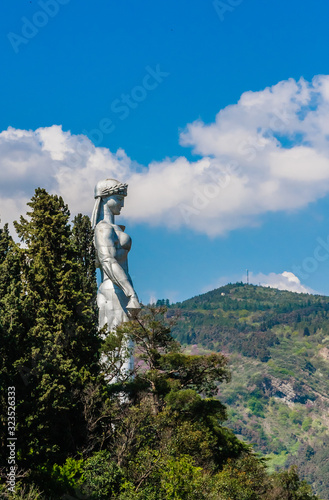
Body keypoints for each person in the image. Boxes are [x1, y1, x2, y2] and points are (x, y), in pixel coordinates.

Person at [92, 178, 141, 377]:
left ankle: (124, 400)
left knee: (125, 348)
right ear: (105, 198)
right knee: (115, 349)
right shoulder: (103, 228)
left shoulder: (115, 228)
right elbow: (108, 261)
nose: (122, 203)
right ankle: (118, 400)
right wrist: (132, 294)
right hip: (112, 290)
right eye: (118, 198)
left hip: (119, 289)